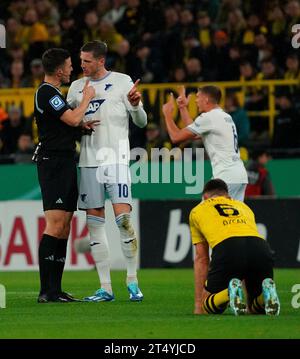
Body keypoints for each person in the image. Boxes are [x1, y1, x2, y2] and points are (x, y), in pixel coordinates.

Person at [67, 40, 147, 302]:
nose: (82, 65)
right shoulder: (76, 87)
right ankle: (105, 288)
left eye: (87, 61)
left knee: (124, 221)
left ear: (101, 61)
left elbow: (141, 122)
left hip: (116, 160)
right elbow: (68, 123)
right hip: (89, 161)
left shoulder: (123, 82)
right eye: (80, 61)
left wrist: (135, 105)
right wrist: (80, 126)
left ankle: (133, 281)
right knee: (94, 224)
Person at [34, 48, 96, 303]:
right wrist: (86, 100)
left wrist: (82, 129)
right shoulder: (46, 92)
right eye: (70, 65)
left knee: (65, 225)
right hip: (53, 163)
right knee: (55, 224)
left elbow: (66, 126)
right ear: (59, 69)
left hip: (65, 161)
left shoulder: (54, 94)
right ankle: (46, 291)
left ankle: (55, 289)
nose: (73, 69)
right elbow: (70, 119)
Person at [189, 178, 280, 316]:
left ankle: (229, 293)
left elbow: (201, 258)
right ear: (228, 196)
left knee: (207, 305)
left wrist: (198, 304)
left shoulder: (197, 211)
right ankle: (265, 294)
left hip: (228, 247)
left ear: (205, 197)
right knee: (255, 308)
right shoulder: (244, 207)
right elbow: (246, 240)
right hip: (260, 247)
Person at [162, 85, 248, 201]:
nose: (196, 101)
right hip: (239, 175)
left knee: (206, 214)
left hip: (225, 177)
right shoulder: (225, 116)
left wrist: (167, 115)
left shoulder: (209, 118)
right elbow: (193, 133)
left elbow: (176, 137)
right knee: (233, 217)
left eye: (198, 97)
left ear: (206, 100)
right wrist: (182, 107)